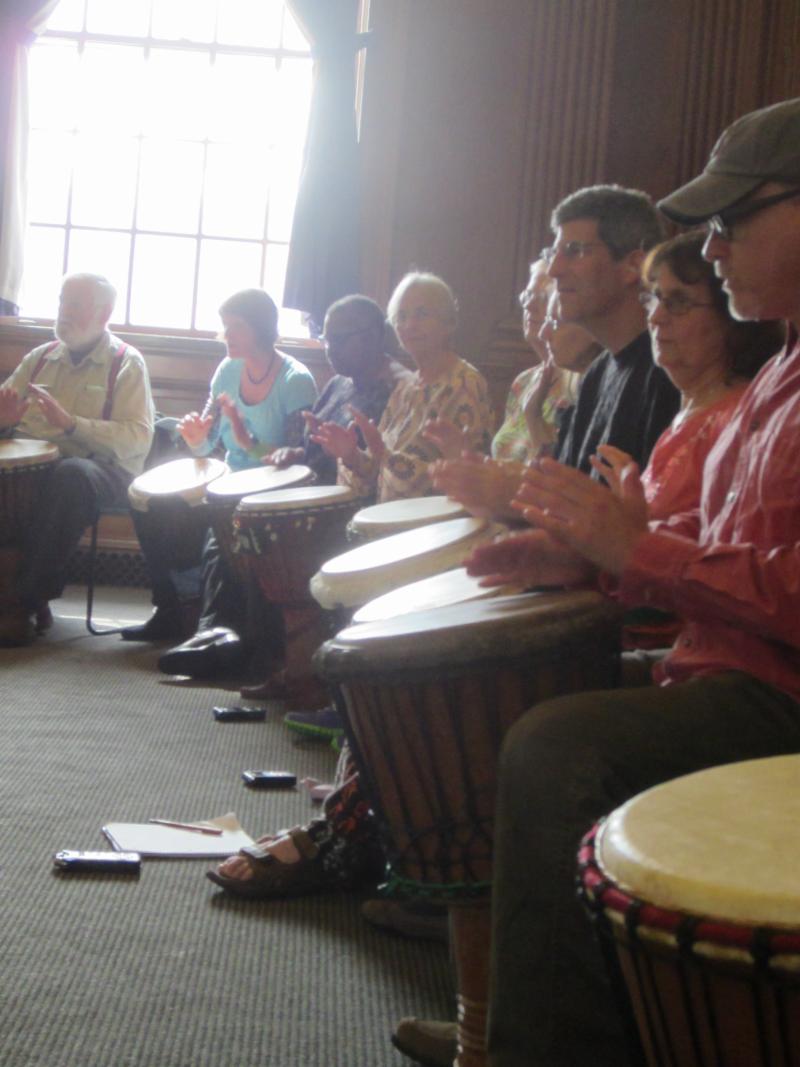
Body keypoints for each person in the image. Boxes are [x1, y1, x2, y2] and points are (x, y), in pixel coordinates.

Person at [462, 97, 800, 1066]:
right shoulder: (779, 369)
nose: (713, 244)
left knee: (556, 746)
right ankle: (513, 1010)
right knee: (514, 695)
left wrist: (636, 550)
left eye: (734, 218)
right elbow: (722, 539)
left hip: (776, 693)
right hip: (726, 671)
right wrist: (588, 554)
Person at [121, 288, 317, 651]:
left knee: (219, 531)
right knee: (153, 506)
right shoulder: (227, 370)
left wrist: (249, 443)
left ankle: (209, 630)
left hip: (273, 490)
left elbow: (299, 460)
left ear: (261, 328)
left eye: (236, 327)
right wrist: (196, 438)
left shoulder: (295, 380)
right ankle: (172, 608)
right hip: (226, 480)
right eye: (225, 326)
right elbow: (209, 444)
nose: (227, 335)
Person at [236, 294, 409, 699]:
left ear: (376, 335)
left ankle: (307, 673)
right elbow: (314, 448)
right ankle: (284, 664)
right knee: (252, 538)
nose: (331, 349)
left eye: (342, 338)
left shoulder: (399, 388)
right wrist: (294, 453)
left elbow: (386, 467)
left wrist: (347, 454)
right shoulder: (339, 384)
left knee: (275, 546)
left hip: (354, 509)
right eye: (326, 338)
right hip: (315, 501)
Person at [0, 272, 154, 645]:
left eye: (75, 305)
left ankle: (23, 600)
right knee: (19, 481)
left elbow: (137, 438)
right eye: (62, 302)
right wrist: (3, 422)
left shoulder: (126, 363)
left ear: (104, 313)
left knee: (69, 477)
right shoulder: (39, 358)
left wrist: (72, 425)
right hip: (34, 470)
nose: (64, 312)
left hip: (101, 470)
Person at [312, 271, 493, 502]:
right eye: (402, 316)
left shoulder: (465, 383)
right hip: (387, 519)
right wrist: (351, 455)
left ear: (449, 322)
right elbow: (376, 474)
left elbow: (471, 480)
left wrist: (384, 455)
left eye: (422, 314)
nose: (410, 325)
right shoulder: (405, 387)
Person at [430, 285, 600, 523]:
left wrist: (534, 419)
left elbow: (561, 489)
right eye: (527, 296)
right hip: (503, 522)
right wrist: (463, 457)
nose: (529, 305)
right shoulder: (523, 382)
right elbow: (502, 478)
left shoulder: (584, 382)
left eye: (542, 297)